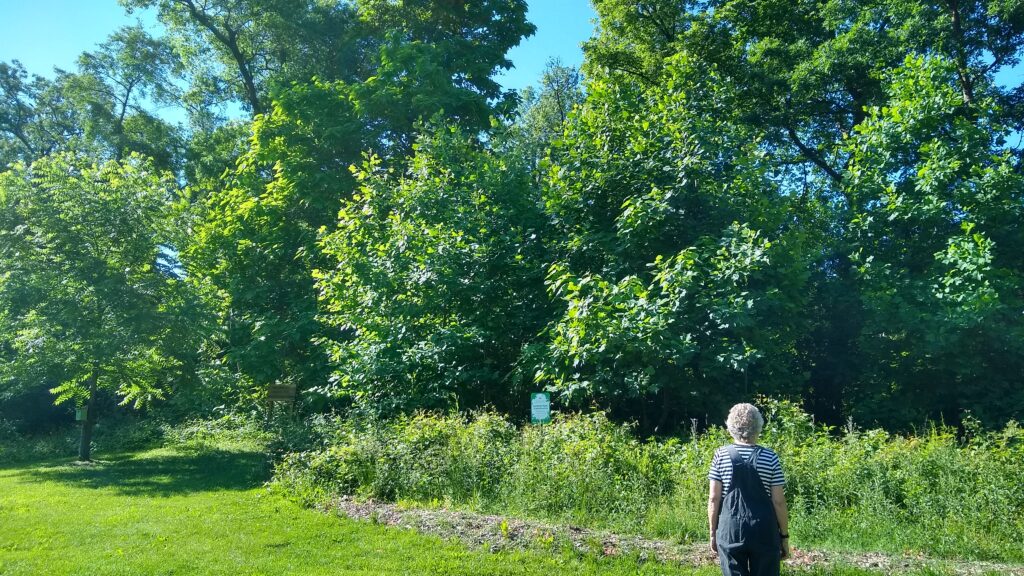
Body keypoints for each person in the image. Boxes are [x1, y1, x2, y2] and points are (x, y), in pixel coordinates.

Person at [707, 403, 790, 576]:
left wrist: (713, 533)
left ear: (730, 427)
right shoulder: (771, 457)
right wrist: (784, 537)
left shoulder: (721, 455)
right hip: (764, 531)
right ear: (759, 427)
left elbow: (714, 499)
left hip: (730, 530)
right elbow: (779, 501)